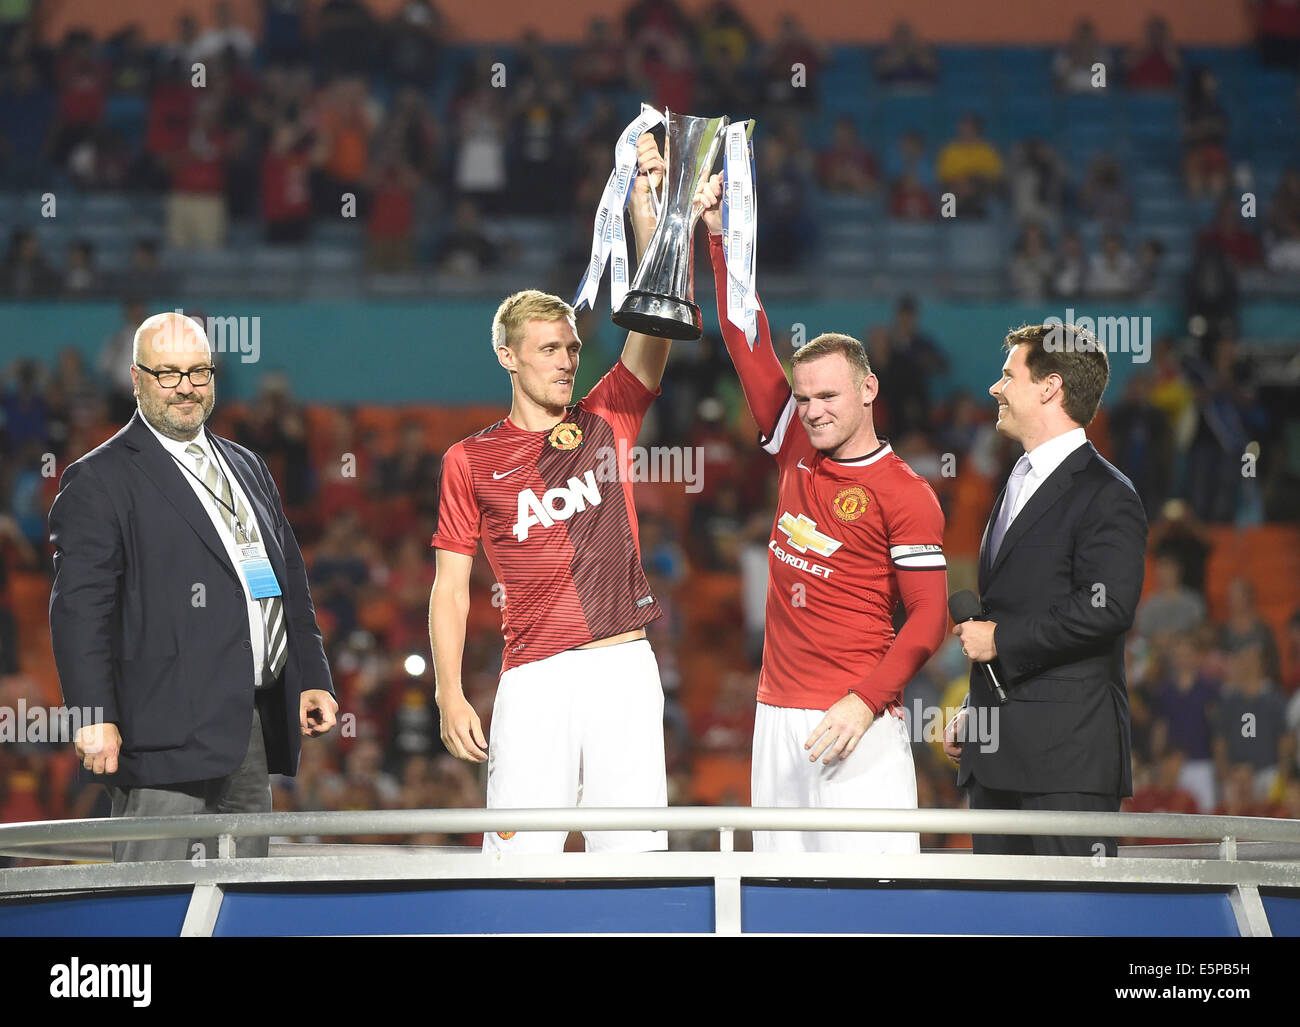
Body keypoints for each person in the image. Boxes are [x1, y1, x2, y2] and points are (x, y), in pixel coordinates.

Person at [430, 134, 674, 854]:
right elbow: (449, 588)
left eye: (571, 348)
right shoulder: (469, 460)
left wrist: (644, 210)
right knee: (516, 867)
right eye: (548, 349)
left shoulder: (606, 419)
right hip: (532, 677)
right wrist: (448, 689)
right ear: (507, 355)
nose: (567, 360)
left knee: (635, 868)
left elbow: (655, 324)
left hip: (623, 667)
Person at [696, 173, 949, 853]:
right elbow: (745, 336)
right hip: (774, 716)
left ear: (869, 389)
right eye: (804, 397)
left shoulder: (907, 492)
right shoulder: (794, 443)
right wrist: (719, 235)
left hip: (856, 719)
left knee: (876, 909)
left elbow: (931, 615)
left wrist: (866, 698)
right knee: (777, 907)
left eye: (829, 395)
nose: (814, 411)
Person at [48, 312, 338, 862]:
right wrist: (92, 717)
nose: (186, 386)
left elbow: (286, 584)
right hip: (157, 729)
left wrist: (310, 677)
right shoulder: (100, 478)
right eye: (168, 373)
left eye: (199, 371)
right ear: (137, 379)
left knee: (240, 896)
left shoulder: (247, 466)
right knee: (153, 900)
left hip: (248, 726)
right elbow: (80, 612)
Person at [945, 323, 1148, 857]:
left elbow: (1107, 608)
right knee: (1000, 923)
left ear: (1049, 386)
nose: (996, 387)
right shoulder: (1016, 478)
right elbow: (1016, 602)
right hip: (997, 756)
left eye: (1008, 375)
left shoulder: (1108, 494)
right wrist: (979, 705)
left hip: (1067, 759)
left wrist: (1001, 641)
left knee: (1071, 920)